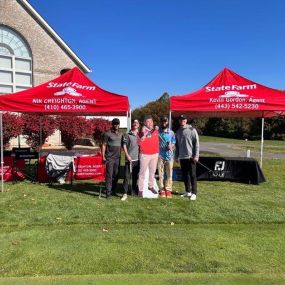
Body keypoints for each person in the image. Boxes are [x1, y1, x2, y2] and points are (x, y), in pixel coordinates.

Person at [175, 115, 200, 201]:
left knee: (192, 175)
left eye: (183, 120)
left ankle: (194, 193)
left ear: (186, 120)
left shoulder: (192, 130)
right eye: (180, 120)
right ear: (179, 121)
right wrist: (176, 156)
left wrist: (196, 155)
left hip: (191, 157)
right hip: (182, 157)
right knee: (185, 175)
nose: (182, 121)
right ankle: (188, 191)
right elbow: (177, 146)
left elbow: (196, 144)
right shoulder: (178, 132)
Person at [138, 115, 159, 196]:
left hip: (155, 154)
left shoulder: (156, 130)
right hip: (145, 154)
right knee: (142, 172)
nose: (150, 123)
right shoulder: (142, 131)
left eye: (151, 121)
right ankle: (140, 189)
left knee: (152, 172)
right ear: (145, 123)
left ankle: (150, 186)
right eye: (148, 121)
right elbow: (141, 139)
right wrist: (144, 132)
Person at [102, 118, 122, 198]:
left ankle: (113, 191)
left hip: (118, 158)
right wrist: (103, 156)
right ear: (112, 124)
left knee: (116, 175)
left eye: (117, 124)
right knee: (109, 175)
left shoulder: (121, 134)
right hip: (109, 158)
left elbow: (123, 145)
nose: (116, 125)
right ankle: (108, 193)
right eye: (115, 124)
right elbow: (104, 145)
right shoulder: (107, 134)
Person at [121, 119, 140, 201]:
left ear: (138, 125)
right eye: (134, 123)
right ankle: (124, 193)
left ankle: (133, 191)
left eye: (137, 123)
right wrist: (127, 155)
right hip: (129, 159)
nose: (135, 124)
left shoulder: (140, 134)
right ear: (132, 125)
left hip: (138, 159)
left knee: (135, 177)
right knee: (126, 177)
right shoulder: (127, 134)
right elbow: (124, 145)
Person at [158, 116, 176, 198]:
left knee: (169, 174)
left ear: (168, 122)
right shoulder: (157, 132)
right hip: (160, 156)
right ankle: (161, 189)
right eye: (162, 121)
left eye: (165, 121)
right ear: (161, 122)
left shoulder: (171, 132)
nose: (164, 123)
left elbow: (174, 143)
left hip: (169, 156)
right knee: (160, 174)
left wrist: (171, 146)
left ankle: (168, 190)